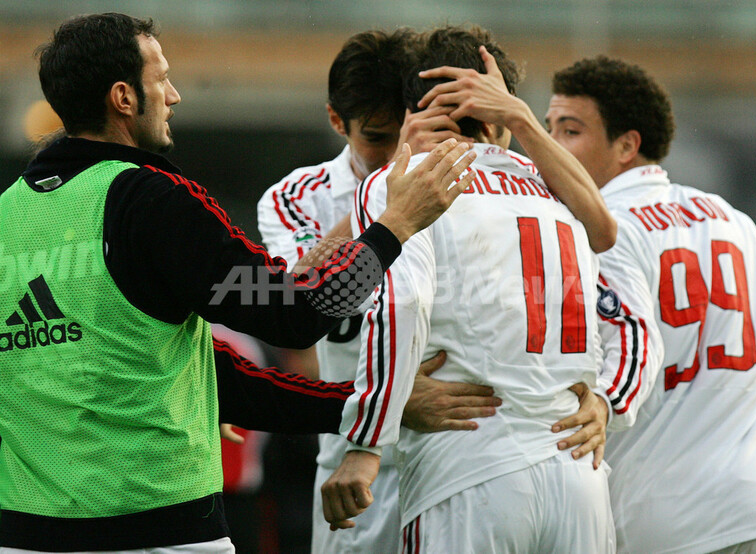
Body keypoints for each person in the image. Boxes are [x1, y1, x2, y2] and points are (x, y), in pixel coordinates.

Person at [0, 13, 477, 552]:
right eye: (161, 79)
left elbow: (214, 381)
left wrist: (369, 406)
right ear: (123, 98)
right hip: (159, 530)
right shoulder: (153, 203)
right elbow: (296, 316)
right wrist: (393, 228)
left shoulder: (6, 216)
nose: (174, 95)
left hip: (24, 535)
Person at [422, 52, 756, 552]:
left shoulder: (594, 232)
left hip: (656, 521)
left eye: (570, 130)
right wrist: (723, 385)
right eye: (549, 128)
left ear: (627, 145)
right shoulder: (731, 218)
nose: (552, 146)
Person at [321, 25, 618, 553]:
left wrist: (366, 442)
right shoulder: (556, 189)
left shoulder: (406, 182)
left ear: (416, 106)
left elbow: (399, 303)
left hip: (469, 467)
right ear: (501, 104)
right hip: (577, 471)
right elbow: (605, 240)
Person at [257, 28, 504, 554]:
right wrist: (392, 197)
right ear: (335, 121)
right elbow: (298, 295)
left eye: (406, 136)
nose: (394, 151)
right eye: (376, 137)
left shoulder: (465, 180)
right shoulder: (295, 196)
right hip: (351, 452)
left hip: (453, 447)